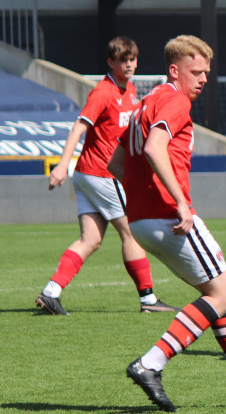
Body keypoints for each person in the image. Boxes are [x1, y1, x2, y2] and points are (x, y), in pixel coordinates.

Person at [108, 35, 226, 411]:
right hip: (170, 215)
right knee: (223, 295)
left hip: (144, 218)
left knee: (220, 298)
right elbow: (152, 149)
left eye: (206, 73)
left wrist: (143, 194)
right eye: (195, 72)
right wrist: (179, 200)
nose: (203, 79)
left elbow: (117, 162)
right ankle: (151, 363)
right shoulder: (174, 100)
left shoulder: (143, 103)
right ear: (174, 70)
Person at [35, 36, 176, 316]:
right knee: (131, 234)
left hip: (89, 176)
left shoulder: (131, 90)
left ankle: (51, 293)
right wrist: (62, 165)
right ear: (110, 62)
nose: (129, 65)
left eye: (132, 59)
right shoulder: (103, 92)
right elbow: (78, 128)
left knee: (91, 239)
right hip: (100, 174)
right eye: (123, 60)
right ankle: (148, 299)